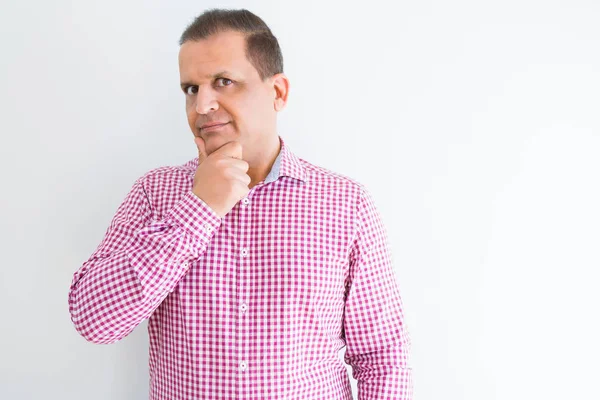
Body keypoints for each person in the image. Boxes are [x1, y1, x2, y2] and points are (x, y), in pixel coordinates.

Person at [68, 8, 413, 400]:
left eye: (223, 81)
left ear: (277, 92)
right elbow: (94, 322)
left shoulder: (345, 204)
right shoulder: (155, 193)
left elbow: (382, 358)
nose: (201, 106)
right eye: (191, 89)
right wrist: (198, 209)